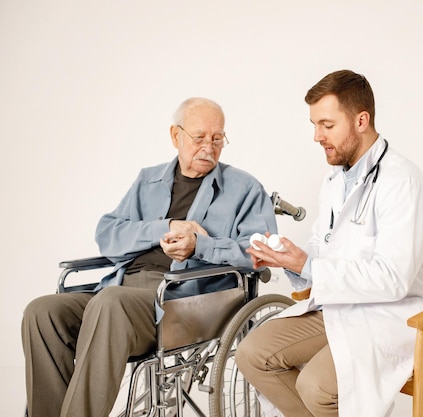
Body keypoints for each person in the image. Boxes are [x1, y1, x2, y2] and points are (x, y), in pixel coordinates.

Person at [21, 97, 278, 417]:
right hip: (121, 288)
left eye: (217, 138)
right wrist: (165, 227)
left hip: (186, 301)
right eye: (199, 137)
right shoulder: (148, 180)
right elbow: (107, 233)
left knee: (110, 303)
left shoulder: (245, 188)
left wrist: (201, 245)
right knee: (43, 311)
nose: (208, 147)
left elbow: (260, 253)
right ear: (176, 136)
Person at [235, 70, 423, 417]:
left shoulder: (403, 184)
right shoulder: (336, 180)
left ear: (361, 120)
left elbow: (392, 279)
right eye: (314, 125)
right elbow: (323, 247)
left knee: (316, 386)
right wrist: (289, 259)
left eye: (327, 125)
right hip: (341, 305)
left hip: (394, 317)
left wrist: (308, 265)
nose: (317, 136)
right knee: (252, 353)